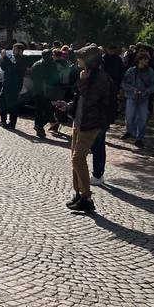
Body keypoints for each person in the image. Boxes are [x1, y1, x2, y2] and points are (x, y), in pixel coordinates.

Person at [55, 45, 117, 213]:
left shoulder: (100, 78)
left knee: (78, 158)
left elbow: (91, 100)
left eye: (80, 58)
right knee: (75, 159)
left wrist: (82, 81)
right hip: (80, 121)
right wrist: (68, 107)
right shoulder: (89, 74)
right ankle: (79, 194)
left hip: (92, 124)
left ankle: (87, 198)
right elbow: (81, 99)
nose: (77, 61)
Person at [121, 52, 154, 149]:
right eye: (145, 59)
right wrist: (133, 90)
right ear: (140, 60)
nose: (147, 61)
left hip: (144, 98)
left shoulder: (150, 72)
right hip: (132, 97)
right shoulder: (131, 71)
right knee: (129, 116)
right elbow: (124, 83)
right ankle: (129, 131)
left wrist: (146, 91)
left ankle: (139, 138)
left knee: (142, 118)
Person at [0, 44, 28, 129]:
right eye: (13, 49)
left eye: (15, 49)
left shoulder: (23, 59)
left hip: (14, 85)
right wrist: (3, 58)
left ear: (21, 50)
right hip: (6, 83)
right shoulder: (12, 57)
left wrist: (6, 58)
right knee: (1, 102)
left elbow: (13, 69)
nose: (13, 51)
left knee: (12, 105)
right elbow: (4, 67)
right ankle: (3, 121)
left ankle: (12, 123)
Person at [30, 50, 58, 138]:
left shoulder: (36, 64)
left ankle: (39, 129)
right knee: (49, 110)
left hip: (37, 90)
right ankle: (40, 126)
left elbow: (32, 76)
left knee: (39, 110)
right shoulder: (51, 65)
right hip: (47, 91)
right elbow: (55, 77)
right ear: (49, 56)